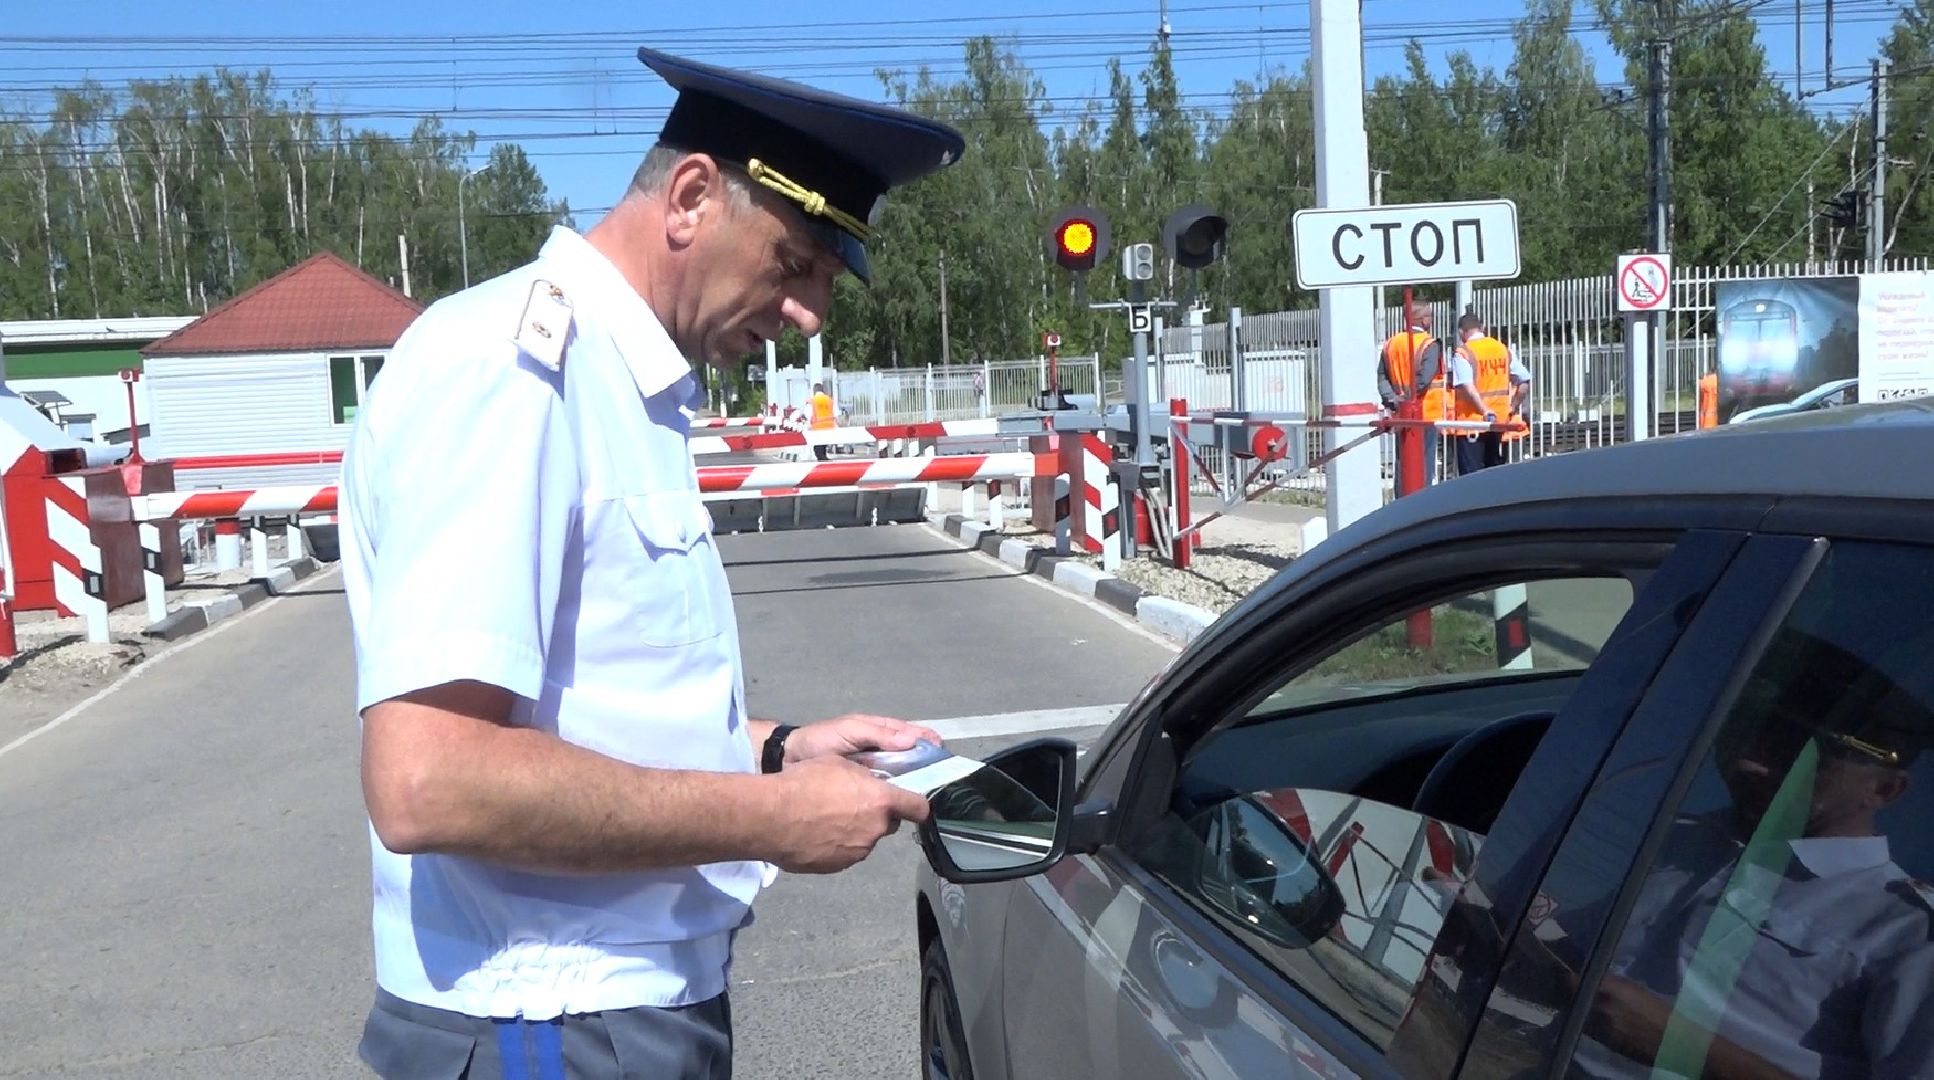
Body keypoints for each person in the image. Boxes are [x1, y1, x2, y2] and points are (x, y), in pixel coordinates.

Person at [340, 46, 964, 1078]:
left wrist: (776, 750)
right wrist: (770, 819)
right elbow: (428, 778)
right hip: (546, 1021)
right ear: (690, 198)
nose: (809, 313)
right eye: (794, 263)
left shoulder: (618, 381)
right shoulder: (513, 372)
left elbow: (590, 700)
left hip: (606, 1016)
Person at [1447, 310, 1530, 476]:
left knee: (1471, 477)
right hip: (1499, 421)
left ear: (1461, 332)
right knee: (1493, 472)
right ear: (1482, 327)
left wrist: (1484, 410)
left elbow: (1468, 387)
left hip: (1472, 423)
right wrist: (1513, 406)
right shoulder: (1502, 349)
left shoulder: (1463, 353)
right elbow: (1524, 381)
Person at [1377, 300, 1449, 485]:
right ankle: (1422, 500)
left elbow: (1382, 377)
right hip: (1425, 412)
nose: (1431, 320)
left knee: (1403, 464)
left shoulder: (1391, 344)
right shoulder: (1429, 344)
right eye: (1430, 316)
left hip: (1400, 413)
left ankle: (1401, 499)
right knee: (1424, 464)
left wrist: (1394, 399)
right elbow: (1424, 379)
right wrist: (1408, 398)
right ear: (1423, 319)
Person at [809, 379, 836, 460]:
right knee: (823, 446)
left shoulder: (812, 401)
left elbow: (808, 415)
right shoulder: (829, 400)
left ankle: (822, 460)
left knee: (818, 448)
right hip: (829, 427)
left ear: (814, 391)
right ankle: (824, 459)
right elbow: (836, 414)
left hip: (817, 428)